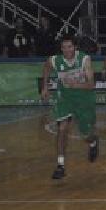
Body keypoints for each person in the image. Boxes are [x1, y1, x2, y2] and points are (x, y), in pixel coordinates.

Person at [40, 34, 98, 180]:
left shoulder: (84, 59)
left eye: (69, 47)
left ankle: (93, 142)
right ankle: (60, 165)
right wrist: (45, 87)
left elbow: (91, 84)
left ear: (75, 47)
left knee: (86, 134)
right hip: (65, 98)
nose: (66, 50)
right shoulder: (55, 60)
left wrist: (74, 84)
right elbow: (46, 67)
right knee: (62, 128)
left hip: (83, 98)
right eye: (64, 47)